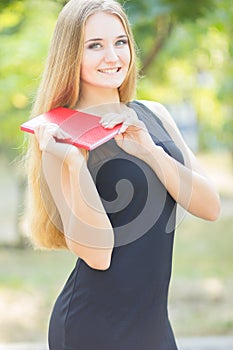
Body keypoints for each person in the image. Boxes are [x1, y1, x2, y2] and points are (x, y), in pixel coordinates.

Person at [25, 0, 221, 349]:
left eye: (120, 41)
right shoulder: (58, 136)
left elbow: (210, 207)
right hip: (92, 328)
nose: (112, 56)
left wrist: (149, 152)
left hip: (154, 325)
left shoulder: (154, 115)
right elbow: (99, 255)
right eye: (94, 45)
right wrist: (72, 163)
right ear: (71, 54)